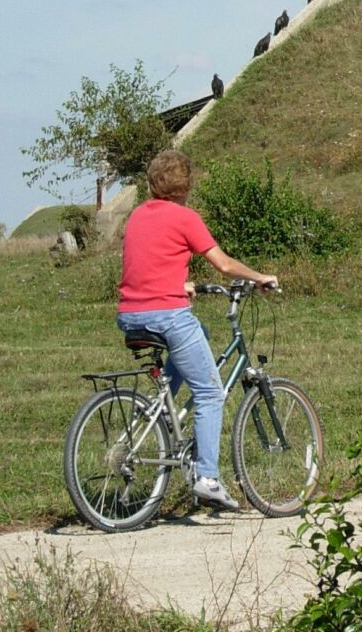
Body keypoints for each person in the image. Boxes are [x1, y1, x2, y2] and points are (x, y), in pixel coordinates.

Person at [116, 149, 279, 511]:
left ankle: (162, 409)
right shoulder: (185, 217)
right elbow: (223, 264)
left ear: (153, 182)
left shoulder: (137, 216)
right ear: (185, 185)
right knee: (209, 392)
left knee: (200, 332)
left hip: (130, 315)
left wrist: (181, 282)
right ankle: (208, 477)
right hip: (168, 316)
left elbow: (150, 260)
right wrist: (260, 277)